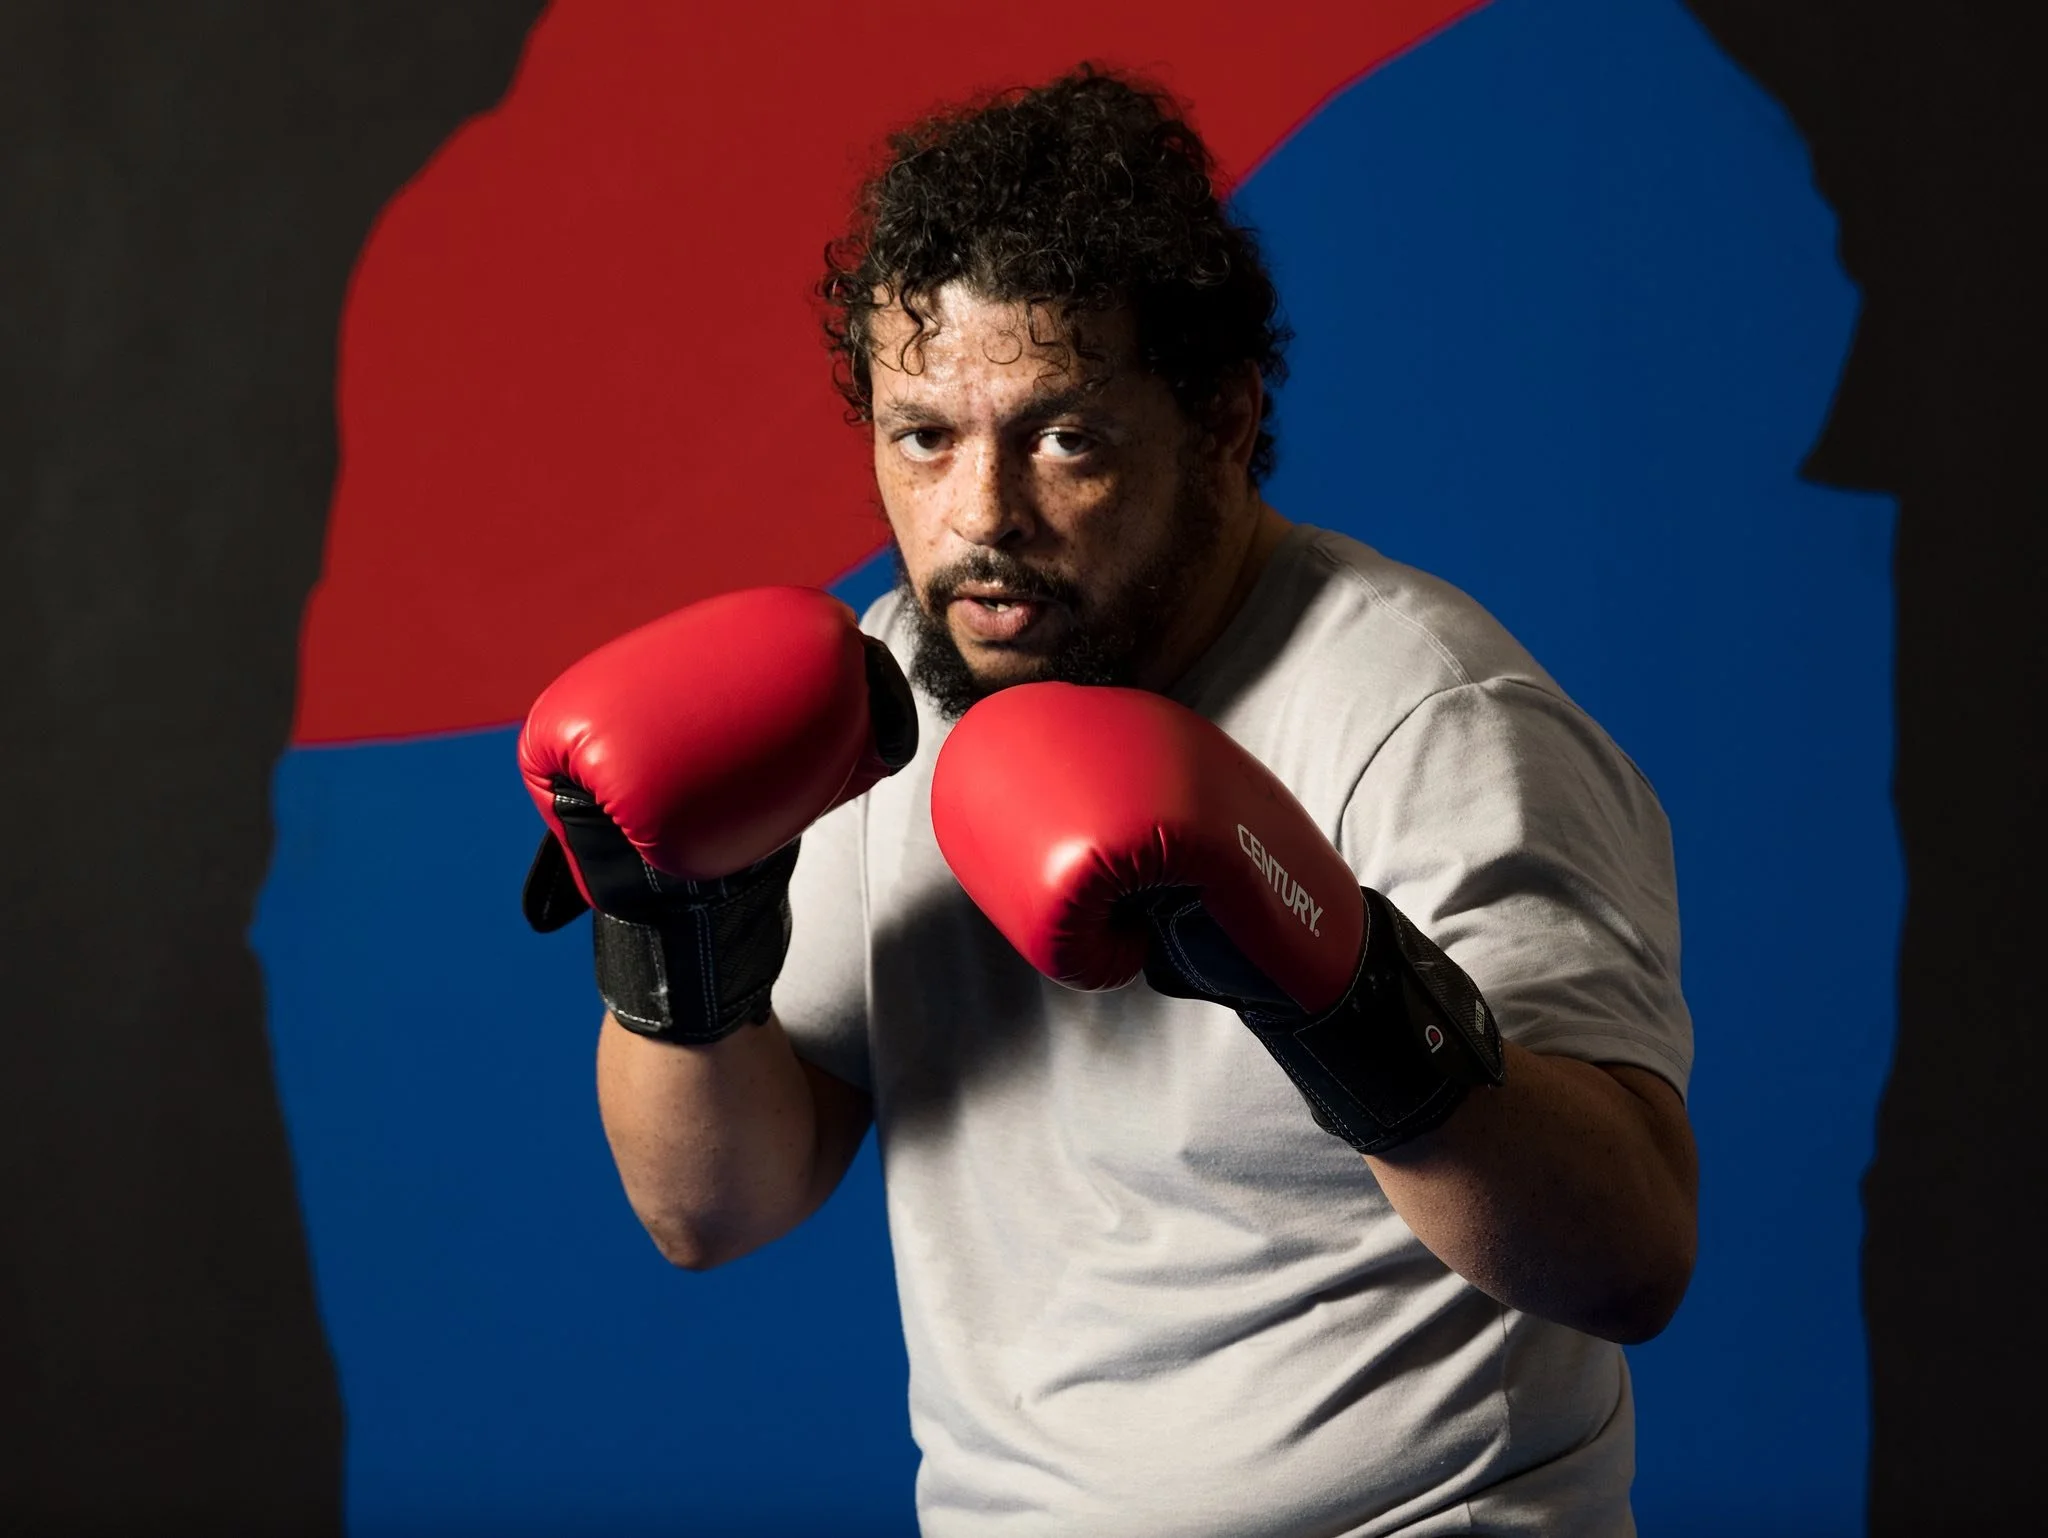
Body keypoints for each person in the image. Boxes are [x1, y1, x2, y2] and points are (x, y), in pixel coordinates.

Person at [519, 65, 1696, 1537]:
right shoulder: (884, 694)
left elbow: (1631, 1255)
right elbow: (715, 1205)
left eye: (1063, 435)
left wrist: (1333, 986)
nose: (980, 515)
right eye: (923, 435)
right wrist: (672, 937)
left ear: (1219, 419)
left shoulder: (1424, 718)